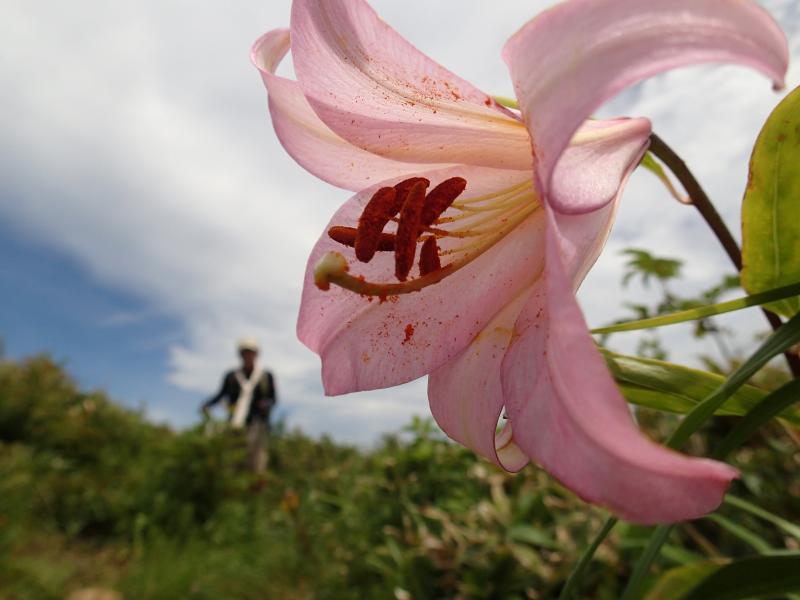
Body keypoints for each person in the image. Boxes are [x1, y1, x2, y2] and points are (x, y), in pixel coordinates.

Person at [201, 337, 276, 473]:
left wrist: (265, 404)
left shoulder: (266, 376)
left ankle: (255, 483)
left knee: (255, 461)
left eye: (250, 352)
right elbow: (221, 394)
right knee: (233, 458)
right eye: (244, 352)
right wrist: (207, 405)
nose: (247, 355)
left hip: (257, 423)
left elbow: (273, 399)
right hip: (235, 424)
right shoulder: (231, 376)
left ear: (256, 354)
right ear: (240, 354)